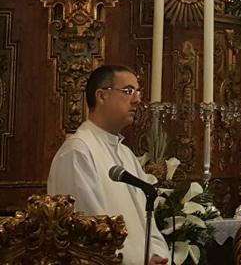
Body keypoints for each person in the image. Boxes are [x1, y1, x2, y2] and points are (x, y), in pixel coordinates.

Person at [47, 65, 169, 265]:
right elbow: (89, 233)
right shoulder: (78, 152)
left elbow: (147, 221)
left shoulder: (126, 154)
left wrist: (156, 255)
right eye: (128, 91)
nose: (137, 99)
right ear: (102, 96)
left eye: (138, 92)